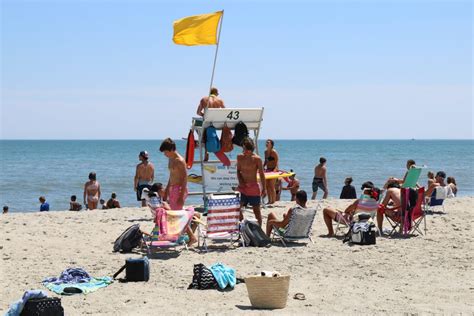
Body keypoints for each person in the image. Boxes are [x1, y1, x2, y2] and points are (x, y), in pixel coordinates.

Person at [159, 138, 197, 246]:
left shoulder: (180, 160)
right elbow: (171, 176)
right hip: (172, 188)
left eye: (166, 152)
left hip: (180, 189)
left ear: (171, 149)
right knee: (175, 214)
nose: (165, 154)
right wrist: (166, 190)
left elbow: (185, 178)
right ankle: (187, 233)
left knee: (177, 215)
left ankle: (192, 237)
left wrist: (181, 196)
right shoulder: (171, 159)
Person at [237, 137, 266, 226]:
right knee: (237, 208)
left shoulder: (257, 159)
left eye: (247, 149)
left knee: (256, 211)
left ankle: (259, 230)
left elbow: (261, 174)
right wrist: (240, 180)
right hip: (243, 187)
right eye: (244, 148)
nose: (245, 151)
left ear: (251, 149)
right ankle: (242, 227)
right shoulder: (240, 157)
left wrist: (264, 189)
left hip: (253, 187)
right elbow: (238, 171)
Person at [263, 139, 279, 205]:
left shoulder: (274, 152)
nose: (267, 143)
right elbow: (266, 161)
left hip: (274, 169)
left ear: (271, 145)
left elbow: (277, 163)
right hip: (268, 169)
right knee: (267, 186)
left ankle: (273, 201)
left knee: (271, 186)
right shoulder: (265, 152)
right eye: (266, 142)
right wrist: (262, 167)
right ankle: (269, 201)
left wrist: (274, 171)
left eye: (268, 143)